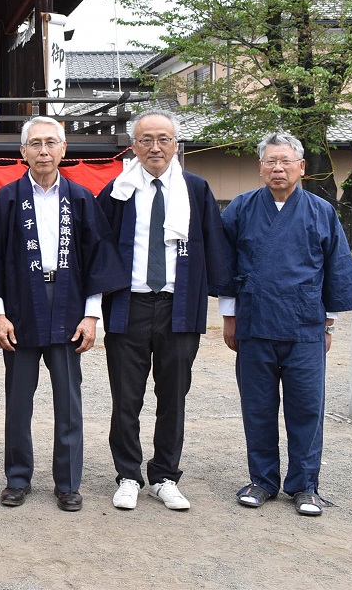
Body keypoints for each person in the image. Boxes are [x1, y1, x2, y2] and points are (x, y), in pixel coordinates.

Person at [0, 116, 128, 510]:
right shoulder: (6, 199)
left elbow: (98, 260)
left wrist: (91, 316)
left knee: (69, 403)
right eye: (35, 143)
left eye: (50, 143)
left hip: (69, 304)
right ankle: (17, 478)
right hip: (20, 306)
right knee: (18, 401)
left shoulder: (80, 197)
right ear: (22, 152)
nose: (43, 150)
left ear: (63, 149)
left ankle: (68, 483)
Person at [220, 132, 352, 516]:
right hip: (254, 321)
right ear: (260, 167)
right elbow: (225, 265)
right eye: (270, 161)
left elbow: (335, 269)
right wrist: (228, 317)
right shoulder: (241, 207)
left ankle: (304, 485)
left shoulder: (321, 211)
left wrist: (328, 324)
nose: (278, 168)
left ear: (302, 167)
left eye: (286, 161)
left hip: (305, 324)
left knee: (306, 409)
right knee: (258, 407)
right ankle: (262, 480)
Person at [95, 110, 232, 511]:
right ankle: (127, 474)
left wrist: (228, 307)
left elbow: (215, 247)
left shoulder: (196, 188)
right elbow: (98, 250)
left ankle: (166, 475)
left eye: (164, 139)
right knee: (126, 397)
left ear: (176, 144)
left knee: (173, 395)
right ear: (133, 145)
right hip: (129, 305)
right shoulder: (118, 190)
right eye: (146, 139)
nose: (155, 147)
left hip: (179, 305)